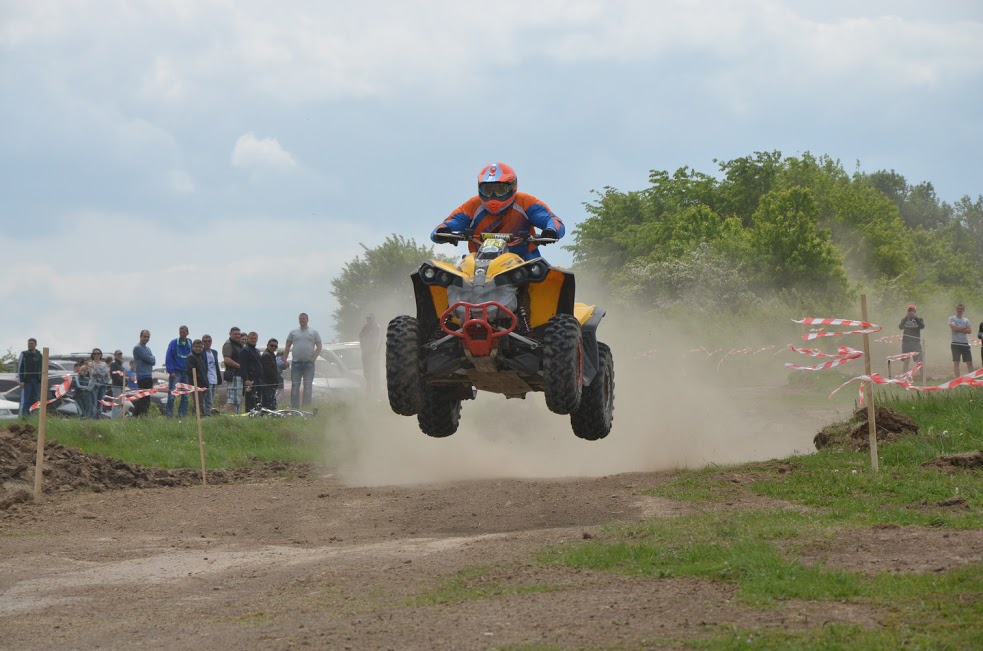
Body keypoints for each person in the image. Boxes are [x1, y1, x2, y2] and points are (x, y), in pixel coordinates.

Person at [430, 162, 565, 262]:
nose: (493, 197)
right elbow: (452, 222)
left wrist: (551, 230)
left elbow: (551, 219)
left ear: (512, 187)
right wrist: (444, 231)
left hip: (524, 261)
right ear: (479, 188)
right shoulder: (473, 205)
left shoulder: (525, 202)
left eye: (499, 190)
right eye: (488, 191)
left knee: (546, 276)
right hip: (478, 262)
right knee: (449, 277)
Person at [282, 312, 322, 408]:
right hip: (296, 363)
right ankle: (295, 408)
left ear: (307, 320)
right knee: (295, 386)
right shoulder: (293, 332)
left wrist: (313, 359)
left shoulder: (313, 332)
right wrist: (285, 359)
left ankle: (306, 408)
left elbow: (319, 346)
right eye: (300, 319)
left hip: (309, 363)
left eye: (304, 319)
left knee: (308, 386)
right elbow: (287, 346)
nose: (302, 320)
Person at [165, 325, 192, 418]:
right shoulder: (174, 343)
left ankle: (181, 416)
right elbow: (169, 357)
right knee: (172, 394)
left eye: (184, 332)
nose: (182, 334)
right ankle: (169, 416)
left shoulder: (190, 343)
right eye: (181, 332)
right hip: (176, 372)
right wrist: (171, 371)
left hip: (186, 372)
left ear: (187, 333)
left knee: (185, 395)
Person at [16, 338, 43, 417]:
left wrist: (41, 379)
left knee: (36, 399)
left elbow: (43, 368)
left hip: (37, 381)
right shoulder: (24, 354)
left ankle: (35, 416)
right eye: (29, 343)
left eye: (31, 343)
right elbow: (19, 368)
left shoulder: (39, 355)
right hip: (26, 381)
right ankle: (24, 417)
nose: (30, 345)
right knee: (25, 400)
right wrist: (21, 380)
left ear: (35, 345)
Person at [132, 330, 156, 417]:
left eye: (148, 337)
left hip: (148, 375)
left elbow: (153, 361)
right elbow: (150, 359)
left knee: (146, 397)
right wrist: (151, 358)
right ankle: (143, 415)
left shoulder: (148, 348)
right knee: (144, 398)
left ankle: (135, 416)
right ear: (140, 336)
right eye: (145, 336)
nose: (146, 338)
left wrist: (151, 358)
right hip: (142, 376)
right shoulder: (137, 348)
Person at [239, 331, 263, 412]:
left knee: (258, 399)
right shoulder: (245, 350)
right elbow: (243, 366)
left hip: (258, 378)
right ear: (248, 339)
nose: (253, 340)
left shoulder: (257, 351)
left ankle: (257, 415)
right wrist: (246, 379)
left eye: (255, 338)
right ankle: (249, 415)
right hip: (250, 379)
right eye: (251, 338)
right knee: (250, 401)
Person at [359, 314, 382, 398]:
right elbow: (360, 336)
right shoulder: (365, 327)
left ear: (374, 319)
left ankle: (376, 392)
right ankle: (368, 391)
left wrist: (375, 353)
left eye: (370, 319)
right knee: (367, 373)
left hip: (374, 354)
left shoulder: (377, 327)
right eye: (367, 319)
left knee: (375, 373)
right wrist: (364, 348)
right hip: (366, 353)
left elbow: (379, 341)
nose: (368, 321)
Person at [948, 303, 974, 377]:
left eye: (961, 309)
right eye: (958, 309)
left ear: (963, 310)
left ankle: (971, 379)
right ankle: (957, 380)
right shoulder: (952, 318)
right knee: (956, 363)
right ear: (956, 309)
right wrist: (963, 327)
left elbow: (969, 331)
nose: (959, 310)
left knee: (969, 362)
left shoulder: (966, 320)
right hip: (955, 343)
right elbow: (954, 328)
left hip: (965, 343)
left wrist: (958, 328)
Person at [185, 339, 209, 417]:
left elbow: (203, 371)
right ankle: (198, 417)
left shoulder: (199, 356)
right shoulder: (191, 357)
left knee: (200, 402)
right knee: (198, 403)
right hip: (195, 384)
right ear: (192, 347)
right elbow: (190, 372)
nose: (198, 348)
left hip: (202, 384)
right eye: (196, 347)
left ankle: (197, 416)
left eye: (200, 347)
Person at [898, 304, 925, 374]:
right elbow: (900, 327)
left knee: (919, 360)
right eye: (909, 310)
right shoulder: (904, 319)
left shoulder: (919, 319)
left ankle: (922, 376)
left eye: (912, 310)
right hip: (906, 342)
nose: (911, 312)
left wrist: (915, 318)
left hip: (916, 342)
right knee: (906, 360)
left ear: (915, 311)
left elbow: (922, 326)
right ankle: (904, 376)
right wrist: (905, 318)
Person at [222, 326, 244, 413]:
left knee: (237, 399)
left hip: (239, 375)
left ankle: (236, 415)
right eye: (235, 334)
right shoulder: (228, 345)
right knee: (232, 399)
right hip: (233, 374)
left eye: (239, 334)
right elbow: (226, 359)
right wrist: (239, 366)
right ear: (230, 334)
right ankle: (229, 416)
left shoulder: (239, 345)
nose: (237, 336)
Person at [201, 334, 223, 416]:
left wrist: (219, 378)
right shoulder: (202, 353)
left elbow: (216, 366)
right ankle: (207, 414)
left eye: (209, 341)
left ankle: (209, 413)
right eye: (205, 341)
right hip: (207, 379)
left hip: (214, 378)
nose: (207, 343)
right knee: (208, 399)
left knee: (212, 398)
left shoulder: (214, 352)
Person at [87, 349, 112, 419]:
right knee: (93, 403)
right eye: (95, 354)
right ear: (92, 355)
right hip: (93, 385)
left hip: (102, 385)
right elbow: (93, 373)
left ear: (100, 354)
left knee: (100, 402)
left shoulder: (104, 364)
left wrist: (97, 370)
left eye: (98, 353)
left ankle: (98, 418)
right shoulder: (90, 363)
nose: (96, 355)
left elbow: (106, 373)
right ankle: (92, 418)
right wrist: (101, 371)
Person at [261, 338, 281, 410]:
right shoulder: (266, 355)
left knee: (270, 403)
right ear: (267, 345)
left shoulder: (271, 355)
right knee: (268, 405)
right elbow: (269, 371)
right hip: (268, 383)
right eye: (271, 345)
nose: (273, 347)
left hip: (270, 383)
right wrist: (275, 381)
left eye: (275, 346)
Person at [109, 350, 126, 418]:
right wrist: (122, 382)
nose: (120, 356)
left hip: (121, 386)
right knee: (116, 403)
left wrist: (125, 382)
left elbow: (122, 376)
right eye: (118, 354)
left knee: (119, 403)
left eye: (120, 354)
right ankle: (114, 418)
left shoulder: (120, 365)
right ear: (115, 356)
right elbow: (113, 375)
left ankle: (118, 417)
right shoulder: (114, 364)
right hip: (116, 386)